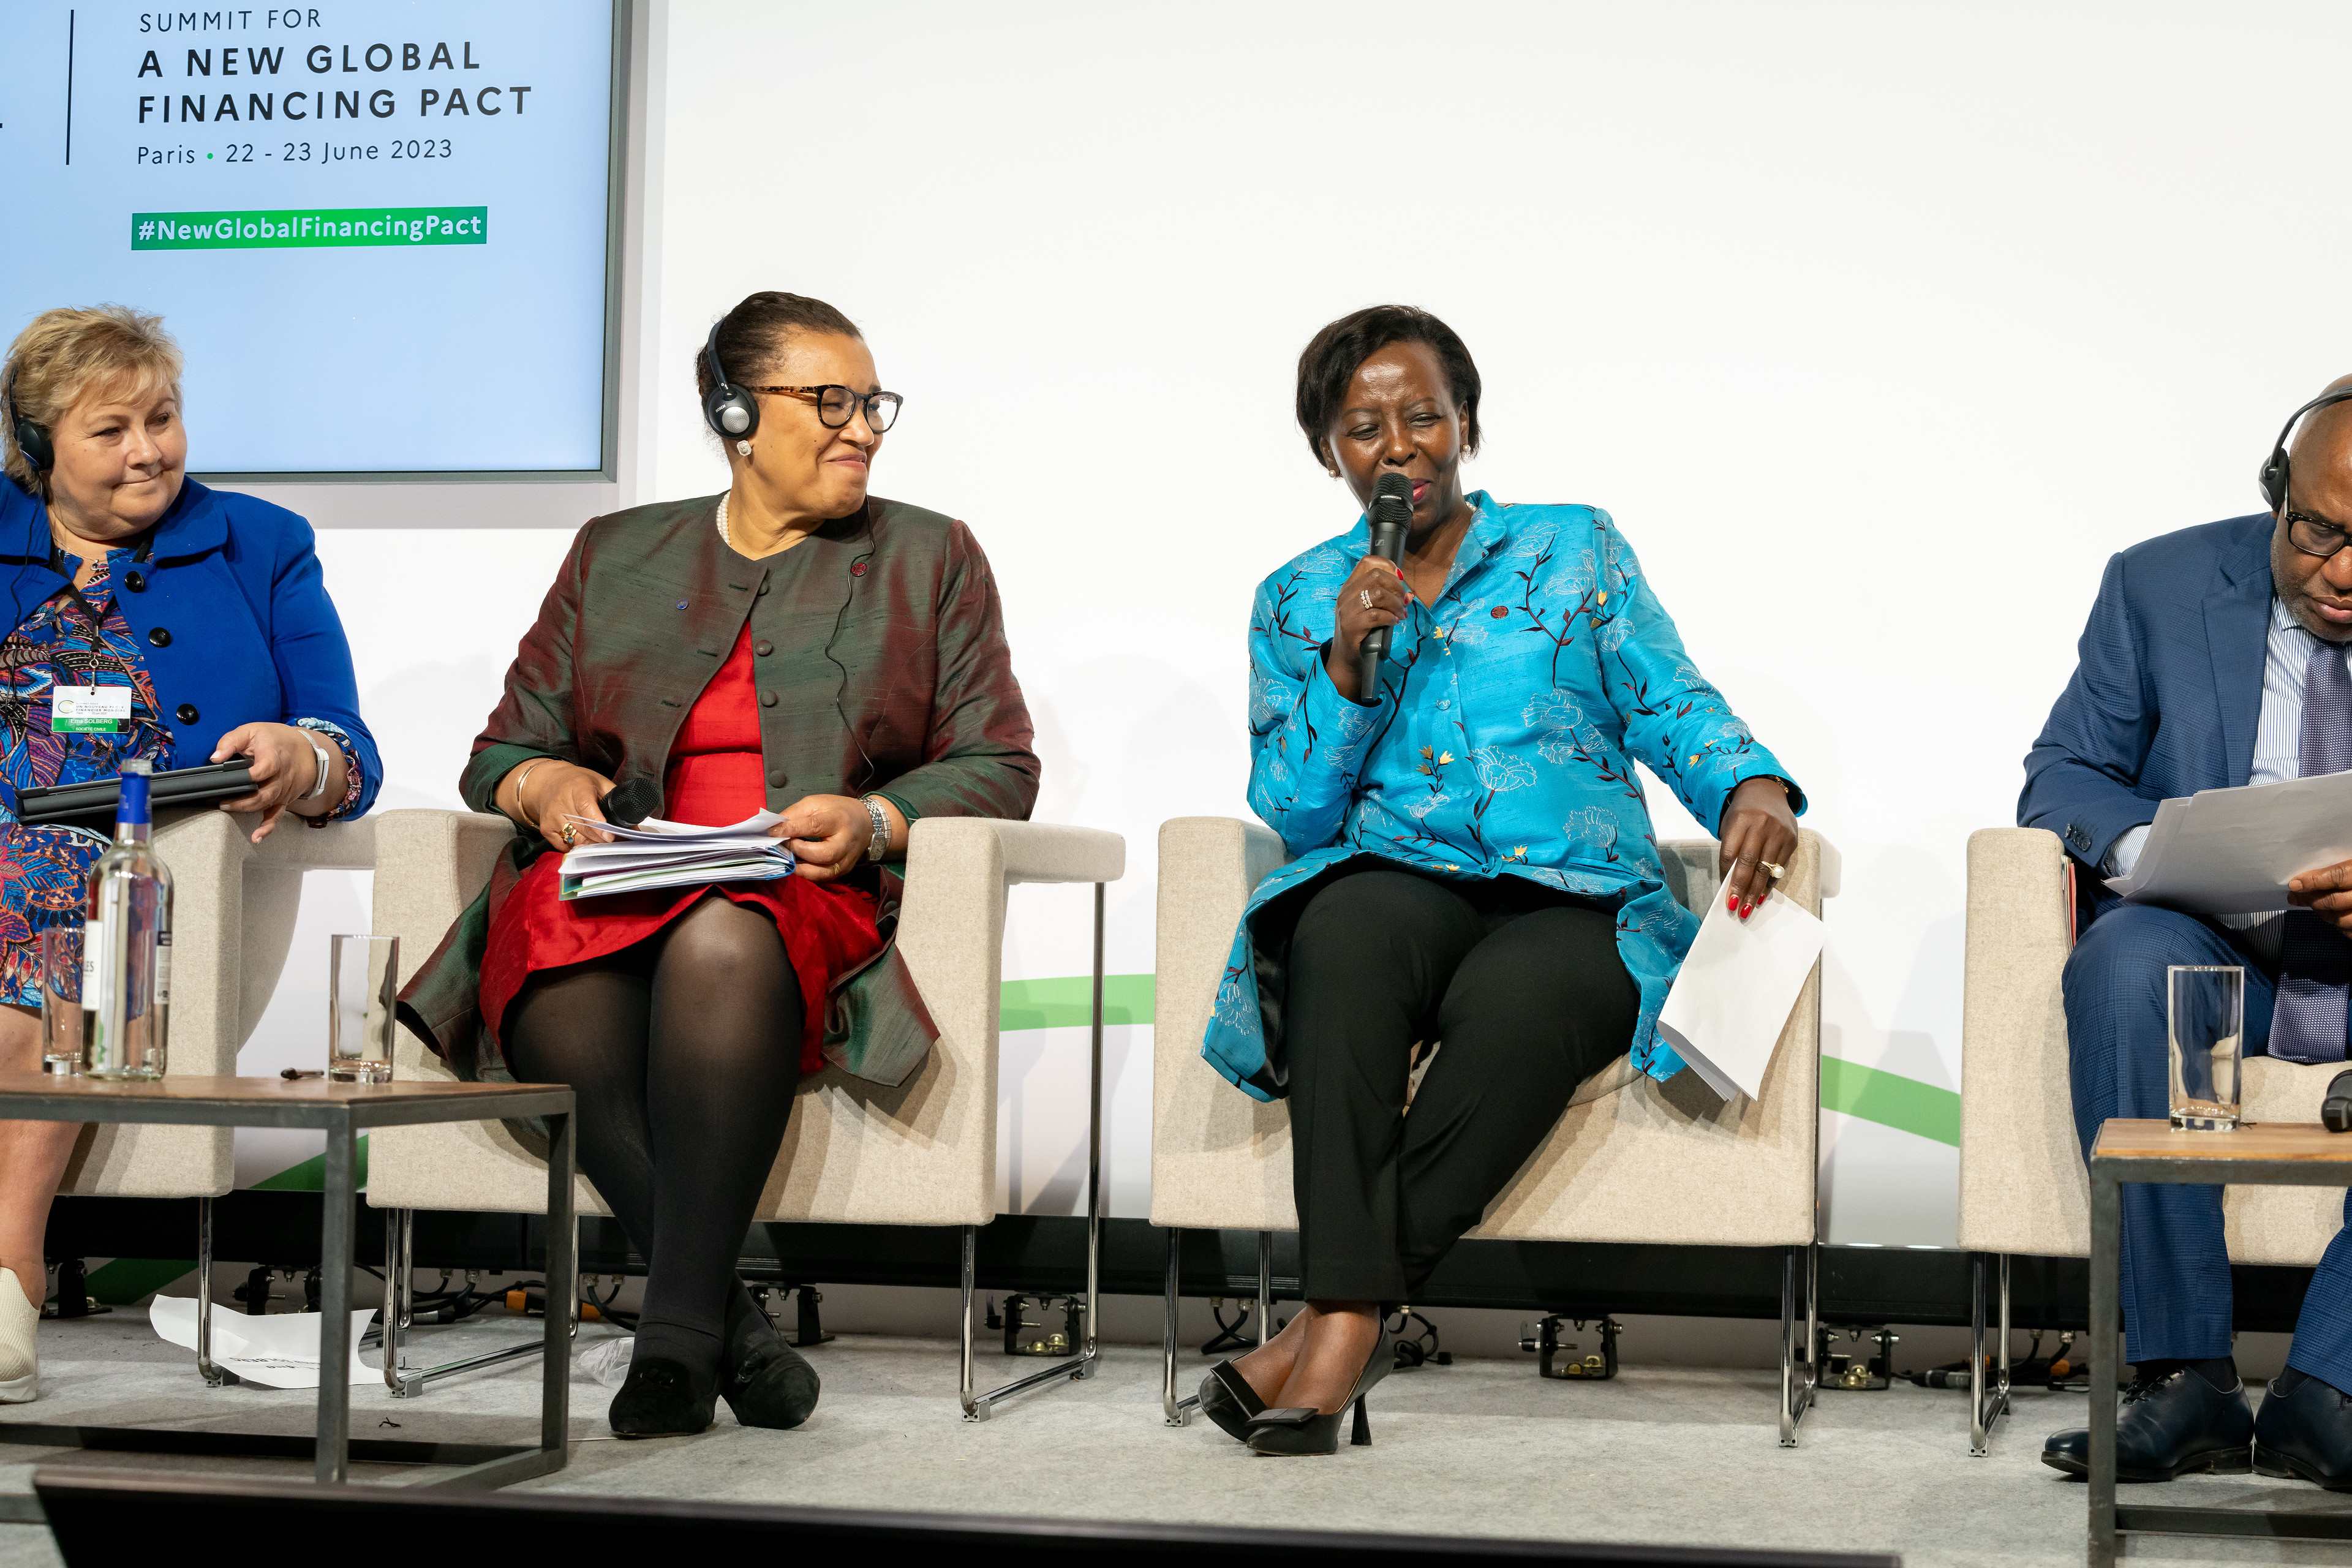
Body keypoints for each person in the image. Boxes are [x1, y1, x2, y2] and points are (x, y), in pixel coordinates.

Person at [398, 291, 1039, 1439]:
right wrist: (541, 787)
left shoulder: (928, 554)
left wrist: (878, 820)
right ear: (736, 412)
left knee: (723, 938)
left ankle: (676, 1351)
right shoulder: (617, 551)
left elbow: (999, 763)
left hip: (791, 882)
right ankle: (728, 1332)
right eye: (830, 401)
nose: (864, 428)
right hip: (616, 872)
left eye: (872, 404)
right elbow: (505, 747)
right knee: (548, 981)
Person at [1196, 305, 1802, 1456]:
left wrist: (1748, 788)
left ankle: (1333, 1328)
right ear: (1331, 451)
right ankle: (1346, 1329)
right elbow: (1295, 807)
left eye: (1423, 415)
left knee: (1522, 1006)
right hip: (1395, 873)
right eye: (1365, 426)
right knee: (1340, 936)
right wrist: (1343, 665)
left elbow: (1668, 697)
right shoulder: (1297, 596)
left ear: (1465, 423)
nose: (1400, 445)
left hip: (1570, 889)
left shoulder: (1573, 547)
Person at [0, 305, 380, 1403]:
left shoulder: (259, 542)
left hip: (131, 855)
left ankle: (9, 1277)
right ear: (36, 450)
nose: (149, 449)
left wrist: (299, 757)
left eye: (162, 418)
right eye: (110, 429)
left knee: (44, 873)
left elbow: (348, 744)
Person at [2027, 377, 2352, 1488]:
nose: (2343, 570)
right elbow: (2065, 769)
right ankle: (2185, 1381)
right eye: (2317, 530)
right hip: (2228, 950)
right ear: (2276, 495)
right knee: (2126, 964)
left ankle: (2332, 1389)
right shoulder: (2158, 585)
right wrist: (2156, 861)